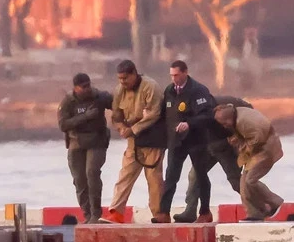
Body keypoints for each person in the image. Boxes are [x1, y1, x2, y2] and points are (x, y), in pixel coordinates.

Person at [102, 60, 168, 224]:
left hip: (153, 139)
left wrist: (133, 128)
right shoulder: (119, 90)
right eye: (119, 78)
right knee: (125, 175)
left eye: (125, 78)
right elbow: (116, 116)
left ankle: (159, 214)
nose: (122, 82)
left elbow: (154, 114)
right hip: (133, 142)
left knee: (154, 179)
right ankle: (116, 212)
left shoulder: (150, 87)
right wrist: (121, 127)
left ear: (134, 74)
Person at [172, 95, 250, 223]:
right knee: (194, 176)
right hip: (207, 147)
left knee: (235, 180)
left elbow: (247, 112)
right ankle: (190, 211)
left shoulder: (221, 103)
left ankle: (259, 205)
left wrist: (237, 136)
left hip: (226, 147)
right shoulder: (186, 112)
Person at [158, 60, 216, 222]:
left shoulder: (198, 90)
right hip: (176, 141)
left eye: (176, 75)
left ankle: (205, 212)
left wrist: (189, 123)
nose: (174, 79)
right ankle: (163, 212)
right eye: (171, 75)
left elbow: (207, 115)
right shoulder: (169, 91)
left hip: (196, 140)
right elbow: (164, 115)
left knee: (200, 175)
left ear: (185, 72)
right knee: (171, 176)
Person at [57, 73, 114, 223]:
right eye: (83, 87)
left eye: (88, 85)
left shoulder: (99, 97)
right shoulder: (68, 102)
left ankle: (96, 213)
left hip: (97, 141)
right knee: (79, 179)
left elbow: (118, 104)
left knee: (92, 173)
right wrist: (86, 117)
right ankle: (87, 214)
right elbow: (63, 125)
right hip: (76, 143)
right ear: (75, 88)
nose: (87, 89)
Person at [213, 102, 284, 221]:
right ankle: (255, 213)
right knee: (243, 185)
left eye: (224, 123)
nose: (224, 126)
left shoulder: (244, 122)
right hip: (254, 152)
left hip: (266, 149)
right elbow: (245, 135)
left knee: (250, 181)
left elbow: (258, 138)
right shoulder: (237, 116)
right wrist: (237, 139)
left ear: (229, 118)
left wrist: (242, 146)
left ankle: (275, 201)